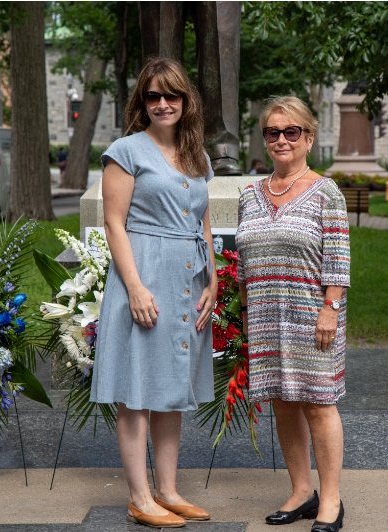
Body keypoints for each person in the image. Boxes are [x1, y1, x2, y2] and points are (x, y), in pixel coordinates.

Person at [90, 57, 217, 527]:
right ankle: (139, 497)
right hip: (144, 275)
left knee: (172, 385)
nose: (163, 104)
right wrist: (136, 287)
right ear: (141, 102)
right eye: (153, 96)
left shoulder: (196, 156)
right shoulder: (126, 151)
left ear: (186, 101)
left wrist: (213, 279)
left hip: (188, 279)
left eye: (172, 96)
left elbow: (202, 222)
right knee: (137, 388)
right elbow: (114, 224)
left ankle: (167, 488)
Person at [236, 96, 350, 532]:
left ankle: (332, 500)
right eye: (272, 132)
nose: (281, 140)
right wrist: (245, 314)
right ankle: (302, 491)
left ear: (308, 137)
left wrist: (330, 308)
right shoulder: (251, 195)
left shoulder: (326, 192)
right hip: (265, 317)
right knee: (283, 405)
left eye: (291, 132)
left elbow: (338, 259)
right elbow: (243, 264)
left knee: (319, 405)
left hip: (313, 316)